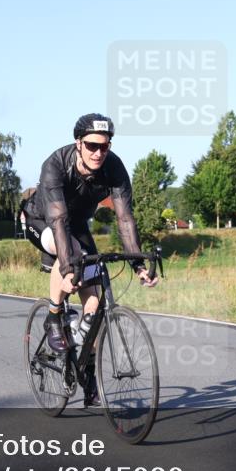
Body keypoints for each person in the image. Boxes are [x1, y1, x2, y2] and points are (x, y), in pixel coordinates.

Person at [21, 113, 159, 405]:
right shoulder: (56, 164)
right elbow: (58, 219)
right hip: (42, 221)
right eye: (92, 145)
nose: (99, 152)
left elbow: (124, 219)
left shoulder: (114, 167)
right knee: (69, 250)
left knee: (94, 306)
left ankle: (88, 376)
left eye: (104, 146)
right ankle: (54, 316)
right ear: (78, 143)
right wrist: (70, 268)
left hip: (78, 226)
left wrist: (138, 264)